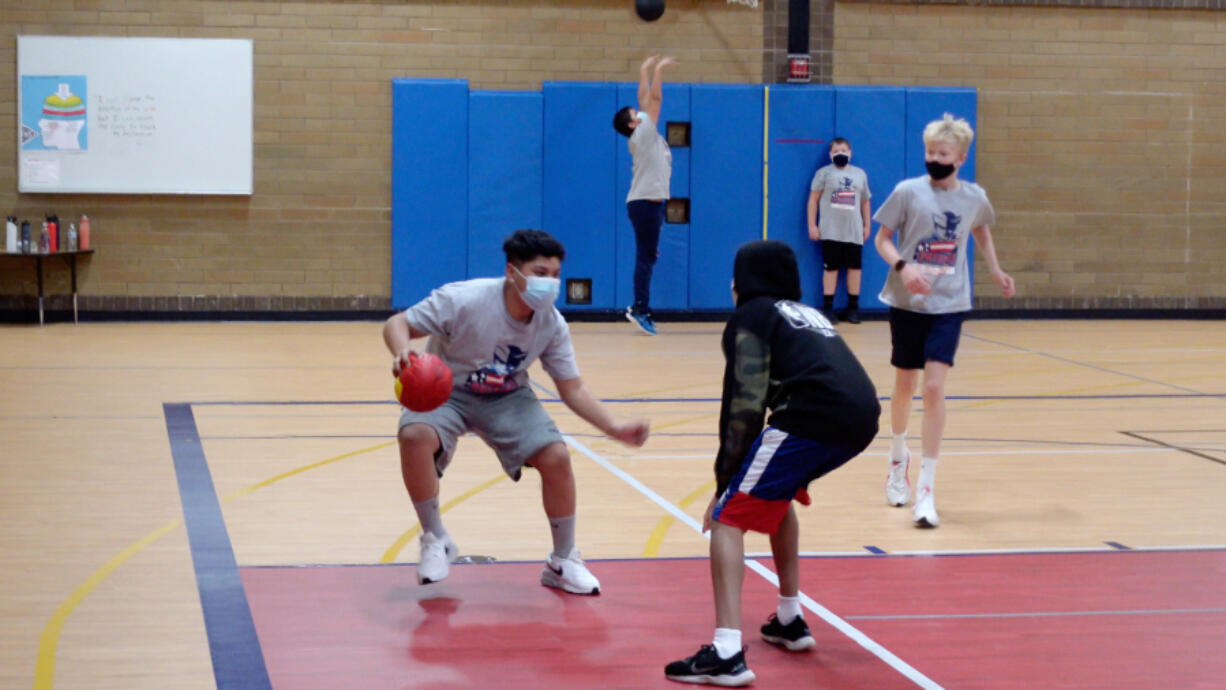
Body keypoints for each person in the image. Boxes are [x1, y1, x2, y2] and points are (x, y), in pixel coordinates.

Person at [382, 229, 650, 593]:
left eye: (556, 276)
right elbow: (397, 324)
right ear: (513, 272)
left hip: (507, 396)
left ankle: (563, 560)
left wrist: (614, 427)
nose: (550, 283)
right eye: (541, 273)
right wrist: (402, 352)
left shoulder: (551, 324)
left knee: (556, 456)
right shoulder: (465, 300)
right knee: (413, 434)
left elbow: (572, 388)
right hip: (446, 391)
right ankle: (435, 537)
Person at [664, 240, 880, 687]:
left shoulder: (751, 316)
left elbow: (744, 406)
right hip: (861, 416)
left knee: (727, 519)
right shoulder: (807, 315)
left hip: (812, 414)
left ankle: (725, 652)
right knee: (777, 498)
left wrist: (723, 485)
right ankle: (789, 618)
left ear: (742, 282)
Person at [873, 114, 1015, 527]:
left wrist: (995, 270)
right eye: (930, 152)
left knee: (934, 387)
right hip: (908, 301)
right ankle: (898, 457)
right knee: (905, 385)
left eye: (943, 153)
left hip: (949, 303)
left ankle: (926, 491)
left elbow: (981, 230)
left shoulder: (973, 197)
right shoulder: (907, 192)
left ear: (961, 157)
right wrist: (903, 266)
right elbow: (881, 238)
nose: (935, 158)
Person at [613, 54, 676, 336]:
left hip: (649, 205)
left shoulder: (646, 135)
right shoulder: (642, 135)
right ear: (632, 124)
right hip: (644, 205)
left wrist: (642, 69)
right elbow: (654, 100)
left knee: (648, 256)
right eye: (635, 114)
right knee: (645, 258)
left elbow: (643, 98)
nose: (640, 112)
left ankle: (641, 306)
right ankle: (639, 308)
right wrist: (659, 71)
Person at [807, 137, 873, 324]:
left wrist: (867, 225)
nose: (840, 154)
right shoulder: (823, 173)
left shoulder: (860, 174)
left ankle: (853, 309)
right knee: (831, 268)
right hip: (830, 230)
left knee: (854, 268)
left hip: (854, 231)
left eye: (844, 150)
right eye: (836, 151)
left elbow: (865, 201)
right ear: (830, 155)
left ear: (850, 153)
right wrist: (812, 225)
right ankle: (828, 308)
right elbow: (813, 200)